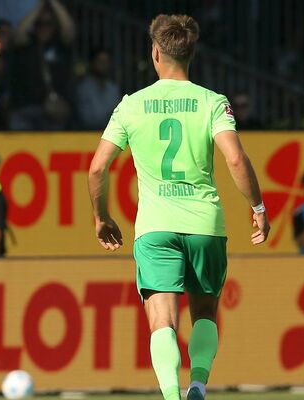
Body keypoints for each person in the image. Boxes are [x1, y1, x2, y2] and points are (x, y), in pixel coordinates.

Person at [87, 15, 270, 400]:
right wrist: (257, 206)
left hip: (155, 226)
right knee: (204, 314)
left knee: (162, 322)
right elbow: (235, 160)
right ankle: (198, 384)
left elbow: (98, 167)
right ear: (191, 53)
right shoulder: (212, 102)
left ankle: (172, 395)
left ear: (155, 52)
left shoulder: (131, 105)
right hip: (205, 223)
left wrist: (102, 217)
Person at [8, 0, 75, 130]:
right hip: (24, 107)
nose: (44, 27)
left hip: (53, 110)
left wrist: (52, 2)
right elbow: (19, 32)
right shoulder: (27, 44)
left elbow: (69, 29)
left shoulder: (59, 45)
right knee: (22, 147)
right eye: (39, 24)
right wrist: (40, 7)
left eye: (48, 24)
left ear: (54, 25)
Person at [76, 48, 121, 130]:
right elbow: (85, 119)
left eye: (106, 62)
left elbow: (118, 116)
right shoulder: (84, 88)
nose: (103, 64)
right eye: (100, 61)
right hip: (86, 134)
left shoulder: (113, 88)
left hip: (112, 134)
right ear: (92, 63)